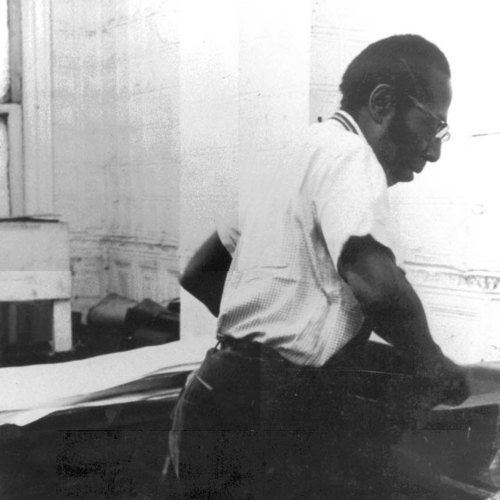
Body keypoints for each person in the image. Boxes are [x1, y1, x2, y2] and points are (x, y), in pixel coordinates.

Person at [169, 34, 470, 499]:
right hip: (275, 420)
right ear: (383, 102)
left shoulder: (291, 155)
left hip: (211, 395)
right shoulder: (352, 157)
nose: (433, 152)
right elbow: (378, 287)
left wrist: (264, 340)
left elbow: (199, 272)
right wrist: (432, 362)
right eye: (434, 127)